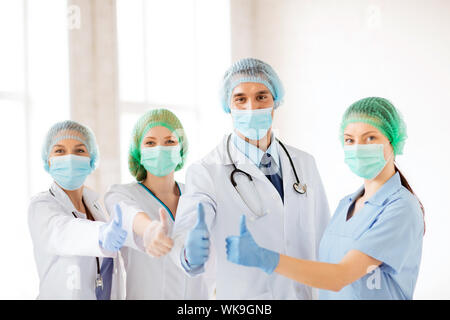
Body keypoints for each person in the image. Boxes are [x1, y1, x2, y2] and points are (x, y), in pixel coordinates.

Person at [225, 97, 425, 300]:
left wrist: (265, 258)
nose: (358, 147)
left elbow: (339, 276)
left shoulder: (401, 208)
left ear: (393, 141)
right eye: (349, 140)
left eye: (370, 138)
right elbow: (324, 275)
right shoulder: (347, 204)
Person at [171, 58, 331, 299]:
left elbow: (323, 236)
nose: (251, 107)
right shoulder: (207, 171)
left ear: (275, 100)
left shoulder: (304, 163)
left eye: (261, 96)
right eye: (240, 98)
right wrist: (189, 252)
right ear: (228, 105)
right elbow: (188, 228)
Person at [104, 109, 212, 299]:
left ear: (181, 149)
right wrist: (149, 230)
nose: (160, 149)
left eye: (170, 141)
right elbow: (128, 215)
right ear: (138, 150)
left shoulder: (197, 196)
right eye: (150, 143)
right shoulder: (121, 194)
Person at [28, 120, 127, 300]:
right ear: (48, 161)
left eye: (79, 150)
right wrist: (100, 234)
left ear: (92, 160)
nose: (70, 158)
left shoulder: (96, 207)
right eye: (59, 151)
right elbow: (64, 230)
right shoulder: (42, 205)